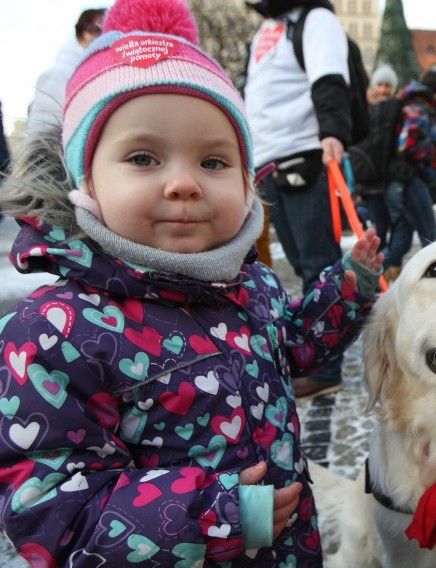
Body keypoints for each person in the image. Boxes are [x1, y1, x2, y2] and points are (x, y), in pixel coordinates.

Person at [0, 0, 383, 565]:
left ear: (249, 183)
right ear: (86, 181)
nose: (183, 183)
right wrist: (216, 516)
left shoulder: (250, 285)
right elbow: (54, 512)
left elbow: (292, 344)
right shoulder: (55, 333)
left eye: (213, 162)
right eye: (143, 156)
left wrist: (348, 289)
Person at [244, 0, 359, 398]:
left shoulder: (316, 18)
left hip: (306, 154)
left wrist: (333, 132)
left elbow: (330, 78)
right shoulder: (269, 28)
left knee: (318, 263)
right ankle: (313, 355)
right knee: (300, 262)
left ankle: (327, 371)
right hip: (270, 161)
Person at [382, 70, 436, 281]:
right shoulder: (419, 108)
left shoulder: (412, 104)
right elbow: (409, 146)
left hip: (400, 182)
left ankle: (379, 280)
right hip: (410, 180)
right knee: (431, 240)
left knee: (402, 237)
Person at [23, 7, 105, 139]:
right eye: (101, 28)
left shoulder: (99, 73)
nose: (108, 36)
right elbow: (40, 137)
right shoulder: (59, 74)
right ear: (86, 29)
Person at [357, 64, 400, 251]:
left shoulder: (395, 109)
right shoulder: (365, 110)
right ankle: (380, 263)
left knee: (389, 222)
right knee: (380, 225)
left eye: (388, 85)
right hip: (371, 179)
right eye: (380, 84)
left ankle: (385, 261)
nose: (383, 89)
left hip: (387, 178)